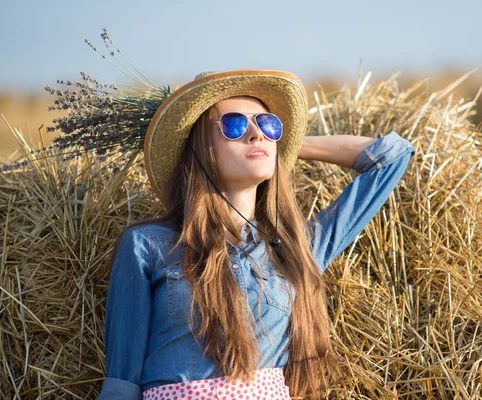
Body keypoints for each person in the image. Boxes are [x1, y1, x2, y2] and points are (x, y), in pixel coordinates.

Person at [97, 70, 415, 400]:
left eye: (267, 124)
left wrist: (286, 145)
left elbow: (391, 157)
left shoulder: (296, 250)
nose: (256, 134)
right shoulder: (148, 245)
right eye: (234, 124)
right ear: (201, 147)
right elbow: (122, 385)